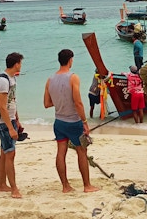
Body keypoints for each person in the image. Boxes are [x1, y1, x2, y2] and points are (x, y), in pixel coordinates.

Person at [44, 49, 100, 193]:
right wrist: (85, 122)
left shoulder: (50, 79)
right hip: (74, 122)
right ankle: (87, 185)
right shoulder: (73, 77)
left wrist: (61, 101)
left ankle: (65, 186)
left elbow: (47, 103)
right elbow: (78, 102)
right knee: (82, 151)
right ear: (70, 60)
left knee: (61, 153)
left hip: (59, 122)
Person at [0, 52, 23, 198]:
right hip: (3, 122)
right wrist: (11, 128)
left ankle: (2, 184)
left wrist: (17, 119)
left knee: (5, 153)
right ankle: (14, 189)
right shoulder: (2, 81)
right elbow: (3, 106)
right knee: (10, 153)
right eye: (20, 63)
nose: (21, 66)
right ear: (16, 63)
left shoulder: (12, 79)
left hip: (10, 119)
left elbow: (13, 101)